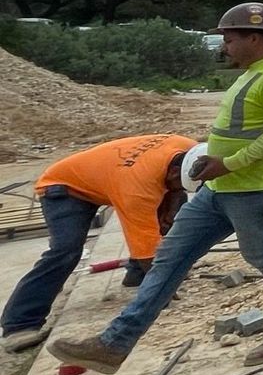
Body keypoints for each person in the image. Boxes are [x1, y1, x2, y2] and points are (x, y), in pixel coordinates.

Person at [50, 1, 263, 374]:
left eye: (229, 38)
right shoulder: (254, 71)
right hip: (221, 188)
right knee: (169, 257)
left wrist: (229, 162)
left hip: (258, 190)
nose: (224, 45)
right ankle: (114, 343)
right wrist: (216, 161)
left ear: (254, 37)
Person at [1, 134, 196, 352]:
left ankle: (137, 275)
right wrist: (162, 289)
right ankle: (20, 323)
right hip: (65, 187)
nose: (181, 188)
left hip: (108, 178)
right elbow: (146, 248)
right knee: (66, 251)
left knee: (176, 208)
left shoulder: (188, 147)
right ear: (173, 171)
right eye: (180, 183)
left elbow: (175, 189)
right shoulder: (137, 189)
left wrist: (173, 199)